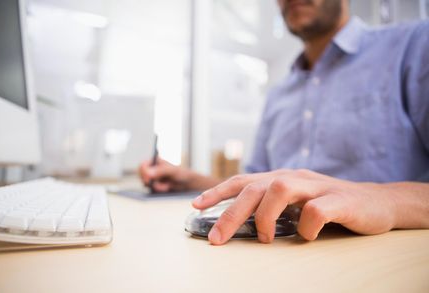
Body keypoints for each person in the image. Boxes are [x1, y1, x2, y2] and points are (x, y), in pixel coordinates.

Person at [139, 0, 429, 245]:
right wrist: (192, 181)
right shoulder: (278, 93)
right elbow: (261, 187)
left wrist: (381, 199)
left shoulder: (415, 45)